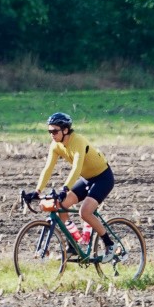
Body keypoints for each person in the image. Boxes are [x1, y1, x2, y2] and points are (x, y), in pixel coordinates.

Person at [35, 112, 118, 262]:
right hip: (87, 179)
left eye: (55, 131)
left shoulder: (77, 141)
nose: (52, 135)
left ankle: (109, 243)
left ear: (65, 130)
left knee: (85, 212)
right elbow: (48, 168)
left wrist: (65, 188)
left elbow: (76, 168)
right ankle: (73, 245)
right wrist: (37, 190)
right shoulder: (56, 145)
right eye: (49, 131)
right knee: (61, 205)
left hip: (103, 178)